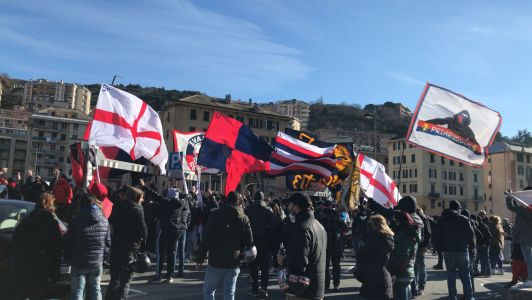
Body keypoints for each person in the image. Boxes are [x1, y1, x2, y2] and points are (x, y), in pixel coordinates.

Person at [196, 191, 253, 300]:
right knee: (230, 293)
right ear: (239, 202)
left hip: (216, 259)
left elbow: (207, 237)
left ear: (226, 200)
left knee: (209, 290)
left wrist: (200, 259)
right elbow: (249, 240)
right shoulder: (244, 217)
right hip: (234, 260)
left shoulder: (216, 214)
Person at [368, 195, 423, 300]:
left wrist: (392, 269)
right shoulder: (415, 220)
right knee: (406, 292)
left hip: (401, 268)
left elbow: (402, 253)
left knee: (400, 293)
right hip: (408, 267)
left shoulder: (405, 221)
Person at [12, 192, 63, 299]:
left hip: (25, 264)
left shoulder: (27, 220)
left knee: (27, 292)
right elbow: (56, 248)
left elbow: (16, 240)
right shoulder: (51, 222)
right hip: (43, 265)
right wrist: (55, 272)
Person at [280, 193, 326, 300]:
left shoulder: (302, 228)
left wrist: (283, 260)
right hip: (317, 288)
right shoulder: (319, 225)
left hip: (302, 290)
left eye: (290, 205)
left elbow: (299, 263)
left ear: (296, 206)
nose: (288, 208)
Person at [64, 193, 110, 300]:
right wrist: (102, 258)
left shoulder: (76, 221)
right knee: (96, 289)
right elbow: (107, 243)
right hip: (96, 262)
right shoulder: (104, 221)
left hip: (79, 262)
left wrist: (70, 258)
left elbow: (68, 242)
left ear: (82, 205)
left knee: (77, 292)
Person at [105, 185, 147, 300]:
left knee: (114, 279)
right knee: (125, 280)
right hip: (130, 249)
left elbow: (111, 222)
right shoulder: (137, 209)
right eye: (141, 198)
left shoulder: (117, 206)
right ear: (136, 198)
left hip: (116, 246)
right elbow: (143, 231)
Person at [140, 180, 187, 283]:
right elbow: (185, 198)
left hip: (165, 230)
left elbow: (156, 195)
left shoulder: (166, 203)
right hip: (176, 230)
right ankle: (170, 276)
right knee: (172, 253)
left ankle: (159, 275)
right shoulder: (181, 205)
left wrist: (144, 187)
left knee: (161, 253)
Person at [439, 200, 474, 300]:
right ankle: (469, 296)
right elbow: (471, 235)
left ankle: (452, 296)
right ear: (458, 209)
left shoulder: (442, 220)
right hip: (462, 250)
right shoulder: (464, 219)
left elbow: (437, 235)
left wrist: (440, 249)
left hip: (447, 250)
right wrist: (471, 248)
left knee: (451, 275)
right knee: (465, 275)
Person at [245, 191, 275, 298]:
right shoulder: (268, 210)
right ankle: (264, 288)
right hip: (264, 240)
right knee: (264, 266)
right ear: (263, 198)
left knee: (253, 265)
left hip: (252, 240)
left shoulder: (249, 209)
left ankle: (254, 288)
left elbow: (245, 224)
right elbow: (273, 226)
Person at [357, 214, 394, 300]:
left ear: (376, 225)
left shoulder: (373, 238)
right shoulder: (389, 237)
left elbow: (364, 256)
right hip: (385, 273)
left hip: (372, 275)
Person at [316, 199, 345, 292]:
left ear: (323, 206)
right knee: (336, 266)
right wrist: (339, 232)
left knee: (325, 266)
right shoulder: (336, 215)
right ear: (331, 206)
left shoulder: (319, 216)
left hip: (323, 244)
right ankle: (336, 285)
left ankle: (326, 285)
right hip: (335, 244)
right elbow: (345, 228)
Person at [505, 186, 532, 287]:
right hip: (527, 236)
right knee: (528, 258)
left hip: (525, 237)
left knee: (528, 259)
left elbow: (511, 207)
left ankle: (530, 279)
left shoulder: (526, 209)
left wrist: (508, 196)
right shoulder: (528, 208)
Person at [412, 207, 431, 296]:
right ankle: (417, 286)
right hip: (417, 246)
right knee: (417, 267)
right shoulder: (420, 219)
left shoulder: (423, 220)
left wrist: (424, 246)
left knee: (419, 267)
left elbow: (428, 234)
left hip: (420, 247)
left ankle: (420, 286)